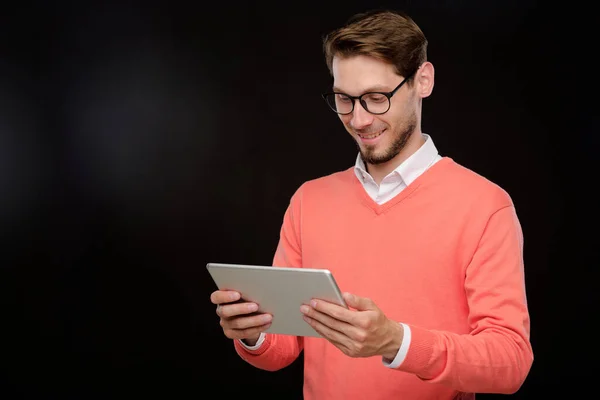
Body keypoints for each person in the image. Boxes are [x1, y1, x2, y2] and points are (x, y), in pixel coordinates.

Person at [210, 8, 533, 399]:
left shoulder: (485, 206)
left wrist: (397, 342)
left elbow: (509, 362)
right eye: (344, 99)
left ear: (423, 81)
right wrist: (254, 332)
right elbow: (282, 349)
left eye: (377, 98)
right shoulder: (309, 201)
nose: (359, 119)